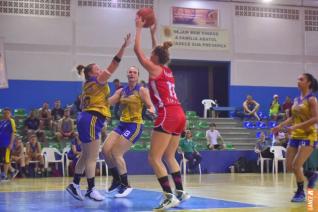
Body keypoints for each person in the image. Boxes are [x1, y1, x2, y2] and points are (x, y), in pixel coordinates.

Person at [66, 33, 131, 202]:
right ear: (92, 74)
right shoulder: (98, 80)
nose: (101, 70)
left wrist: (116, 95)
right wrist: (123, 48)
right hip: (92, 119)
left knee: (85, 155)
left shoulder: (88, 84)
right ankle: (91, 189)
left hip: (86, 118)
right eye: (97, 69)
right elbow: (114, 64)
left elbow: (104, 101)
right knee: (93, 157)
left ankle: (74, 184)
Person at [134, 17, 190, 210]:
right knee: (169, 156)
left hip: (167, 113)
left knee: (154, 158)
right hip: (180, 113)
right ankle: (181, 192)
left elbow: (138, 53)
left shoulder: (154, 68)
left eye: (152, 54)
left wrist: (139, 29)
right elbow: (157, 51)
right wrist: (152, 34)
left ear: (156, 58)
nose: (150, 55)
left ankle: (168, 196)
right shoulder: (166, 69)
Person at [102, 66, 155, 197]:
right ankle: (116, 179)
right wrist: (98, 97)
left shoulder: (142, 90)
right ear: (127, 75)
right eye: (130, 72)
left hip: (134, 125)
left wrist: (152, 111)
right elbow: (109, 102)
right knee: (105, 150)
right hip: (122, 124)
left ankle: (126, 185)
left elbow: (150, 105)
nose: (131, 74)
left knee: (116, 152)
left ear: (138, 76)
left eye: (134, 72)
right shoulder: (122, 91)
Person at [272, 73, 318, 202]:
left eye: (301, 79)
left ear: (308, 83)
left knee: (297, 165)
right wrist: (279, 126)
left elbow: (315, 118)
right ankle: (311, 175)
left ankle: (300, 192)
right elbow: (292, 118)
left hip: (309, 135)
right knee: (289, 166)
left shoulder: (311, 99)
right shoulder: (297, 100)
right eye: (297, 79)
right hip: (296, 135)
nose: (298, 81)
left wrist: (296, 127)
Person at [0, 108, 16, 181]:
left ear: (10, 114)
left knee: (6, 160)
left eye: (7, 113)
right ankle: (13, 170)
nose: (5, 114)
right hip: (1, 144)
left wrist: (11, 143)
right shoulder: (2, 122)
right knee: (4, 159)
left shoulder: (11, 121)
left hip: (7, 144)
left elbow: (13, 132)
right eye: (4, 113)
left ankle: (5, 176)